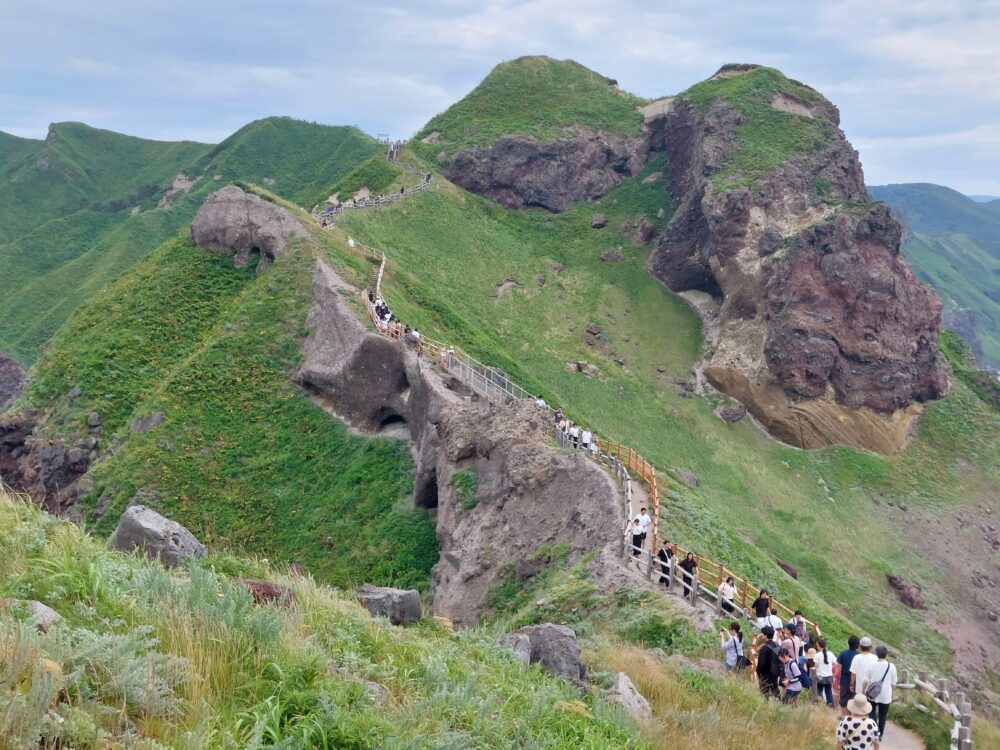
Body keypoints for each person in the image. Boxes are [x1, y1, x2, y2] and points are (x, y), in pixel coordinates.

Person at [861, 646, 897, 741]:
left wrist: (863, 691)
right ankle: (880, 734)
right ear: (886, 655)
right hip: (885, 695)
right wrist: (892, 693)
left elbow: (865, 680)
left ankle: (875, 730)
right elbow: (894, 683)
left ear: (877, 654)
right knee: (883, 715)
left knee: (871, 712)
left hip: (872, 693)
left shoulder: (871, 665)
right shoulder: (891, 666)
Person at [835, 635, 861, 715]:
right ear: (857, 645)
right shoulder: (859, 655)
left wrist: (834, 676)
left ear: (848, 643)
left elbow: (838, 667)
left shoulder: (843, 653)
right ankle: (851, 716)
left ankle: (844, 716)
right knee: (853, 699)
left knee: (843, 700)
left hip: (844, 679)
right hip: (856, 680)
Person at [849, 637, 878, 707]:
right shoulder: (875, 658)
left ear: (860, 646)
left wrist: (852, 684)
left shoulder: (856, 657)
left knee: (860, 708)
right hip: (872, 689)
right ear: (870, 647)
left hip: (859, 688)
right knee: (870, 708)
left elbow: (853, 673)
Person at [755, 626, 783, 698]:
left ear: (766, 635)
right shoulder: (777, 645)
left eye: (762, 634)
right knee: (776, 691)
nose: (761, 636)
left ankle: (766, 706)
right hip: (775, 673)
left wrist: (759, 674)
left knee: (765, 694)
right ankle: (779, 704)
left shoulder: (765, 648)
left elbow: (761, 665)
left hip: (765, 674)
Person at [814, 637, 836, 707]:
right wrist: (830, 667)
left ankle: (820, 705)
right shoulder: (831, 654)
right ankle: (831, 706)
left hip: (820, 676)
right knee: (828, 692)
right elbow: (836, 663)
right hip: (829, 676)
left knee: (819, 692)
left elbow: (816, 667)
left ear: (819, 646)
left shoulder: (817, 655)